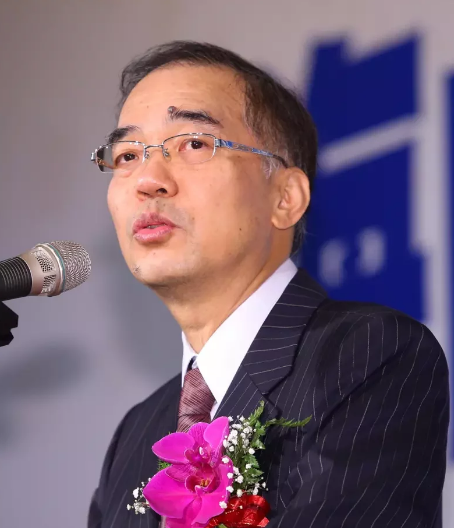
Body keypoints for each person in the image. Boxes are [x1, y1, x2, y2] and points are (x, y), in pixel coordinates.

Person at [88, 41, 449, 528]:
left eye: (194, 144)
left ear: (285, 197)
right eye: (127, 154)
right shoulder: (137, 434)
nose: (147, 179)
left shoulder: (368, 356)